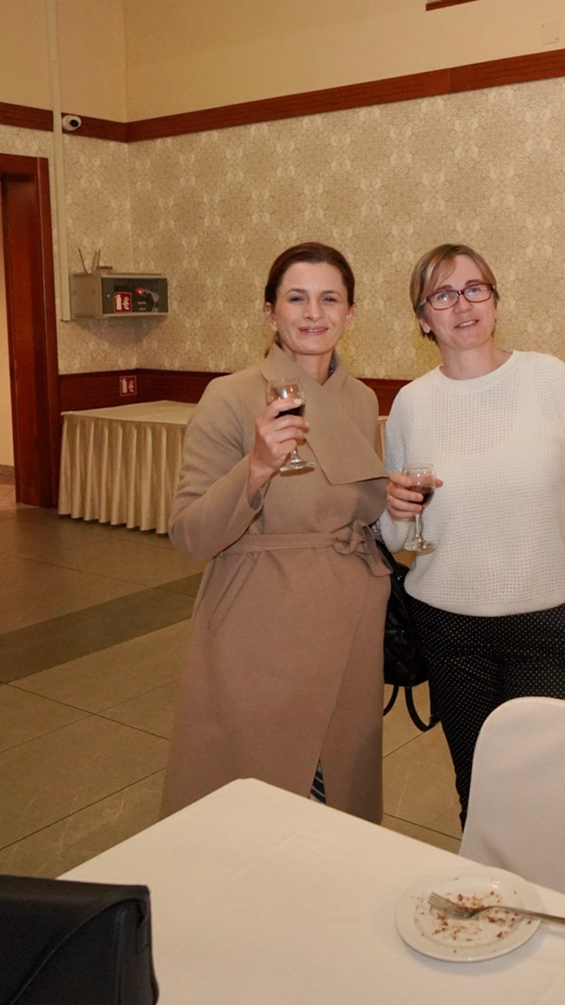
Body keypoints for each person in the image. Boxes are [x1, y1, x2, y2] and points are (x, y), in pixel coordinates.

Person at [380, 243, 565, 823]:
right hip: (448, 630)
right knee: (480, 793)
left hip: (549, 627)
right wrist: (396, 514)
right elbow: (399, 540)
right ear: (423, 319)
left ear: (494, 300)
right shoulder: (411, 404)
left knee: (556, 800)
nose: (462, 305)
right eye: (443, 295)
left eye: (475, 289)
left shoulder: (549, 379)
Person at [161, 242, 391, 822]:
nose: (314, 313)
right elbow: (188, 533)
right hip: (262, 623)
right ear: (269, 312)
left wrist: (400, 508)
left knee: (338, 777)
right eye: (296, 298)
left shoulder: (362, 400)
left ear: (350, 314)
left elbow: (352, 506)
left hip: (351, 615)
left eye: (329, 299)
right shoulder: (230, 396)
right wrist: (258, 465)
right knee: (262, 789)